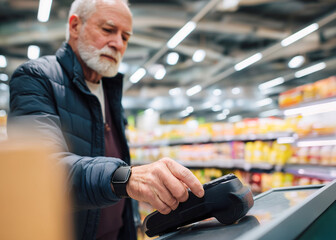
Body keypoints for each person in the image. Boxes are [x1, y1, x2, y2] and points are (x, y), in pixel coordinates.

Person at [8, 0, 205, 239]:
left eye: (126, 37)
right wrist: (126, 177)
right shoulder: (36, 78)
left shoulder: (110, 90)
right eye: (108, 30)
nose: (118, 44)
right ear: (74, 26)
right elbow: (43, 172)